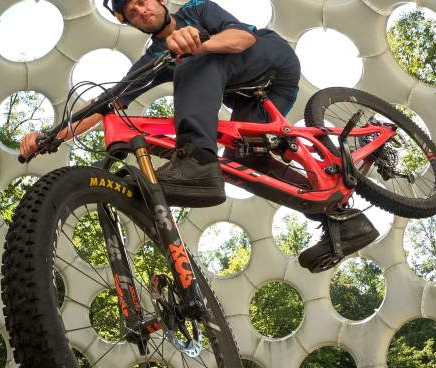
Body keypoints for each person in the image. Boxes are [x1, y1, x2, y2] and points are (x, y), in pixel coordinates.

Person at [19, 0, 378, 272]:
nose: (141, 10)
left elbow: (242, 38)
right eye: (131, 11)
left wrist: (199, 45)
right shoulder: (153, 57)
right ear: (125, 21)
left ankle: (198, 162)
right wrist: (51, 138)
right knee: (244, 160)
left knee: (191, 60)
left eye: (142, 0)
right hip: (246, 93)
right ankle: (343, 221)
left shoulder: (197, 8)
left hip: (272, 60)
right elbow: (107, 103)